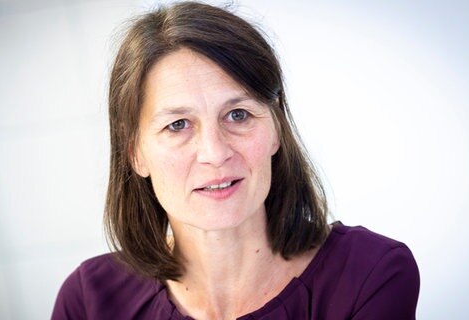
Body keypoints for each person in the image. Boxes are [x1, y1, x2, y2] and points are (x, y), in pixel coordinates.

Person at [52, 1, 420, 319]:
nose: (215, 153)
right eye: (178, 124)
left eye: (238, 115)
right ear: (135, 152)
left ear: (276, 128)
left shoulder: (372, 273)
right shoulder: (89, 300)